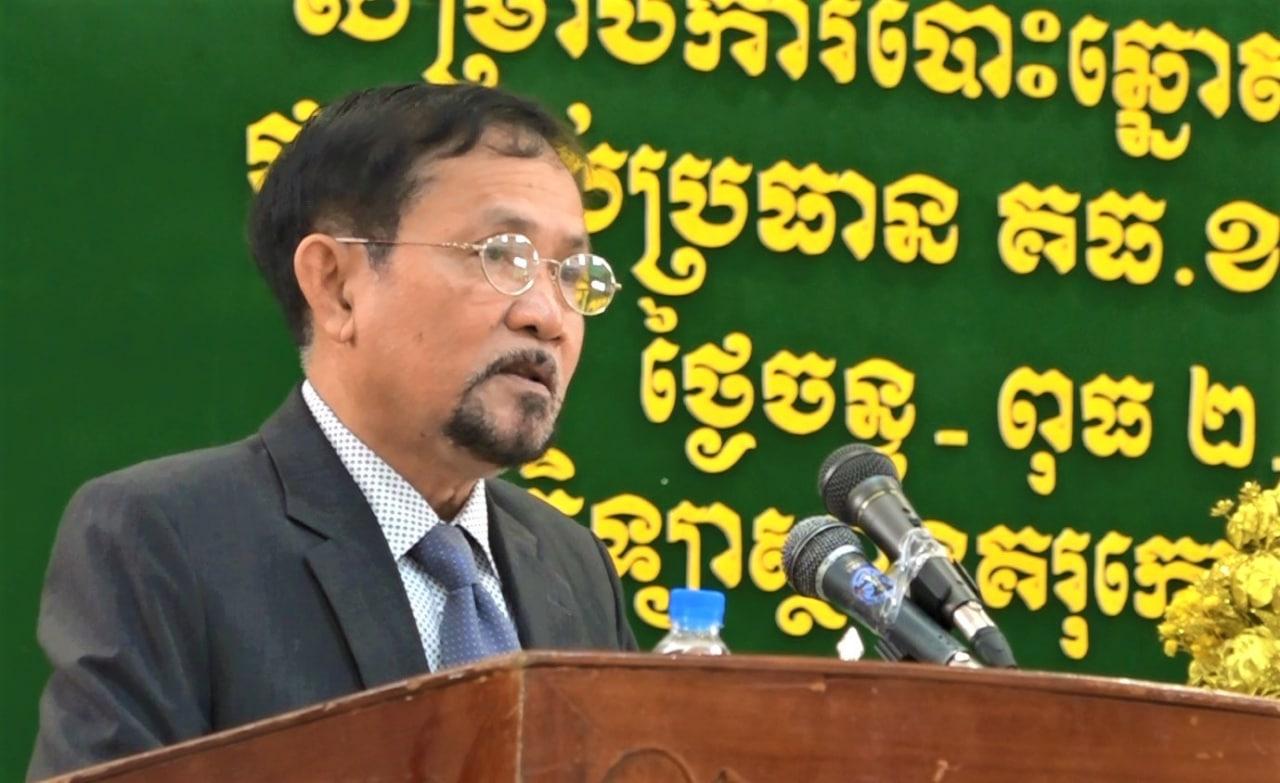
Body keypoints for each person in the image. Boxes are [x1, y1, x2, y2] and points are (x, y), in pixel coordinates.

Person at [28, 83, 637, 780]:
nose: (548, 316)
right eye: (501, 255)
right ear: (337, 285)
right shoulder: (164, 539)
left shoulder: (573, 565)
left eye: (572, 273)